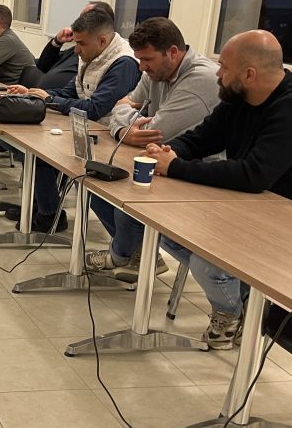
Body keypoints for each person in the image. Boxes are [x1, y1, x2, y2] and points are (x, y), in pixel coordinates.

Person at [144, 29, 292, 349]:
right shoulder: (238, 98)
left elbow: (254, 175)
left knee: (207, 261)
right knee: (170, 232)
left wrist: (175, 167)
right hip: (247, 207)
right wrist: (170, 151)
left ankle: (233, 313)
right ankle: (247, 299)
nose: (218, 74)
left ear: (249, 74)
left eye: (224, 67)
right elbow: (202, 138)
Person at [83, 17, 220, 280]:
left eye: (147, 60)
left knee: (128, 194)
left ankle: (122, 256)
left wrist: (127, 124)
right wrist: (123, 130)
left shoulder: (201, 79)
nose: (142, 68)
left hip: (199, 172)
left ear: (172, 52)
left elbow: (155, 132)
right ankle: (137, 254)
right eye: (140, 60)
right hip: (160, 160)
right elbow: (121, 106)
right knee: (95, 181)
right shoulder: (156, 72)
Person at [5, 7, 141, 232]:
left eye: (81, 44)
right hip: (84, 129)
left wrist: (50, 99)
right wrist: (34, 94)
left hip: (109, 137)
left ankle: (49, 214)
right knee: (32, 148)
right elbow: (71, 92)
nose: (76, 50)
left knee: (43, 154)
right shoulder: (92, 53)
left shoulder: (123, 63)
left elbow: (95, 109)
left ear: (102, 40)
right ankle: (42, 209)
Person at [35, 1, 114, 89]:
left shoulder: (105, 61)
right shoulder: (75, 49)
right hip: (43, 94)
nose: (80, 21)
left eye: (86, 17)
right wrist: (57, 41)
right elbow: (43, 66)